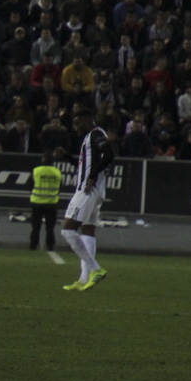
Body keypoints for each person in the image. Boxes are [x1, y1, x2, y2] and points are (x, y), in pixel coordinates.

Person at [60, 108, 114, 292]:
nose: (75, 126)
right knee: (88, 231)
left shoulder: (96, 134)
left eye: (77, 122)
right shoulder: (90, 137)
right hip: (95, 190)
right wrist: (68, 157)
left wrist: (91, 176)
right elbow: (86, 163)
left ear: (86, 120)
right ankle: (84, 279)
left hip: (87, 190)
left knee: (67, 230)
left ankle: (95, 269)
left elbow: (109, 155)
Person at [30, 152, 61, 251]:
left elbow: (30, 185)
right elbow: (60, 187)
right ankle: (50, 246)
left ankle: (33, 245)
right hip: (51, 204)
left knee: (36, 226)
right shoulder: (57, 172)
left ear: (43, 159)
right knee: (50, 228)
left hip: (37, 203)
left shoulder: (36, 171)